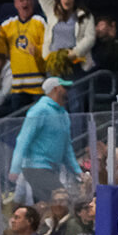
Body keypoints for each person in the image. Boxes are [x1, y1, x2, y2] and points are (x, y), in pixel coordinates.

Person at [9, 77, 83, 207]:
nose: (67, 91)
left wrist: (78, 172)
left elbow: (67, 148)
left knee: (47, 206)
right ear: (55, 89)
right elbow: (23, 140)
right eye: (64, 88)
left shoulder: (64, 114)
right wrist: (15, 168)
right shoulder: (39, 110)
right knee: (62, 198)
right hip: (35, 167)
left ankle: (45, 224)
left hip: (52, 169)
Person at [0, 0, 48, 112]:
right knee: (19, 124)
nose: (25, 3)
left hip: (38, 86)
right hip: (17, 87)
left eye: (28, 0)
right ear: (16, 4)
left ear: (33, 2)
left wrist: (37, 51)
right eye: (21, 0)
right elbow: (0, 49)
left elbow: (48, 48)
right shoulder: (7, 25)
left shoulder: (40, 22)